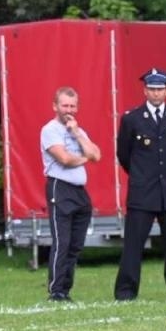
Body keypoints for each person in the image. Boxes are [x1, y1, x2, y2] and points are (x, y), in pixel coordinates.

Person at [113, 67, 166, 301]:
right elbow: (124, 154)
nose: (156, 94)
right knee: (133, 247)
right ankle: (126, 292)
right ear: (144, 90)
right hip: (142, 193)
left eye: (160, 89)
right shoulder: (131, 118)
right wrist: (141, 174)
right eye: (152, 89)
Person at [41, 86, 101, 302]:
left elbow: (97, 154)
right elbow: (64, 159)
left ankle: (66, 290)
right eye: (64, 105)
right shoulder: (50, 130)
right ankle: (55, 291)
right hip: (60, 188)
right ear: (55, 106)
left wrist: (76, 133)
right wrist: (86, 158)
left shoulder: (78, 130)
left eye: (72, 106)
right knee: (62, 242)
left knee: (75, 245)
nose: (68, 109)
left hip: (79, 192)